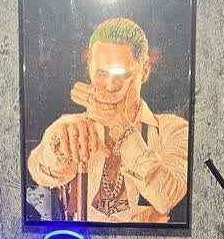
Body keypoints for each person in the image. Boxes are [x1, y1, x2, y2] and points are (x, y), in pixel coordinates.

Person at [27, 18, 188, 224]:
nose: (111, 86)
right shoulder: (71, 125)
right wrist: (58, 147)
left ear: (145, 71)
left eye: (122, 74)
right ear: (89, 69)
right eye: (101, 73)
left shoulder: (172, 130)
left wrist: (119, 125)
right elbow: (40, 171)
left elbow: (168, 197)